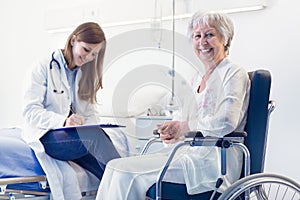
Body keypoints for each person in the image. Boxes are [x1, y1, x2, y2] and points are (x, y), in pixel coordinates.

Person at [95, 11, 250, 199]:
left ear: (225, 39)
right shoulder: (196, 78)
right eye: (197, 36)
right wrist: (173, 129)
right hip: (187, 153)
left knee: (126, 173)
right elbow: (183, 119)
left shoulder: (233, 73)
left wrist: (185, 128)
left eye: (210, 35)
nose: (202, 42)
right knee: (114, 166)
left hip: (214, 162)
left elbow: (226, 121)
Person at [22, 22, 121, 199]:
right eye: (86, 49)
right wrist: (63, 121)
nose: (89, 57)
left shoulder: (85, 74)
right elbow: (30, 112)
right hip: (47, 136)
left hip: (74, 139)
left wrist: (86, 124)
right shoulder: (43, 67)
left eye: (94, 54)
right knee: (96, 138)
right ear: (74, 40)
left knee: (109, 173)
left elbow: (90, 114)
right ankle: (138, 188)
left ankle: (127, 189)